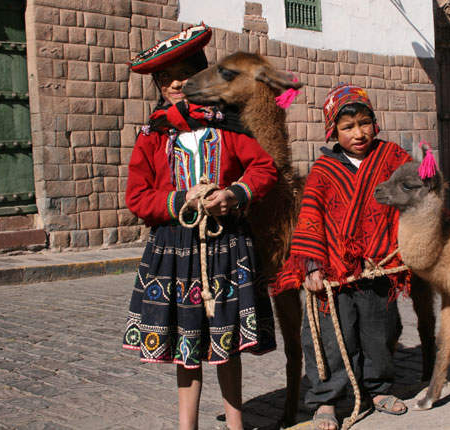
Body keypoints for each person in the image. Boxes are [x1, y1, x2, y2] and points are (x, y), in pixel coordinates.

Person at [121, 23, 278, 430]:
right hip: (175, 250)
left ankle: (235, 423)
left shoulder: (229, 128)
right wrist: (177, 201)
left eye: (184, 73)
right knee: (185, 343)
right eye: (164, 77)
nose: (175, 83)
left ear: (201, 75)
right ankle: (186, 425)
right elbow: (137, 197)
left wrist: (236, 194)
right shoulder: (153, 136)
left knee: (227, 344)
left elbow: (264, 168)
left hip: (226, 245)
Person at [275, 84, 412, 430]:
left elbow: (415, 193)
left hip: (378, 266)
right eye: (348, 127)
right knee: (330, 337)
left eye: (364, 123)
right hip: (334, 271)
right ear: (333, 130)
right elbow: (310, 218)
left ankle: (378, 388)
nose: (359, 133)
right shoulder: (324, 169)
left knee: (380, 330)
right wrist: (311, 264)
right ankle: (326, 400)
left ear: (374, 123)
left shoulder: (392, 158)